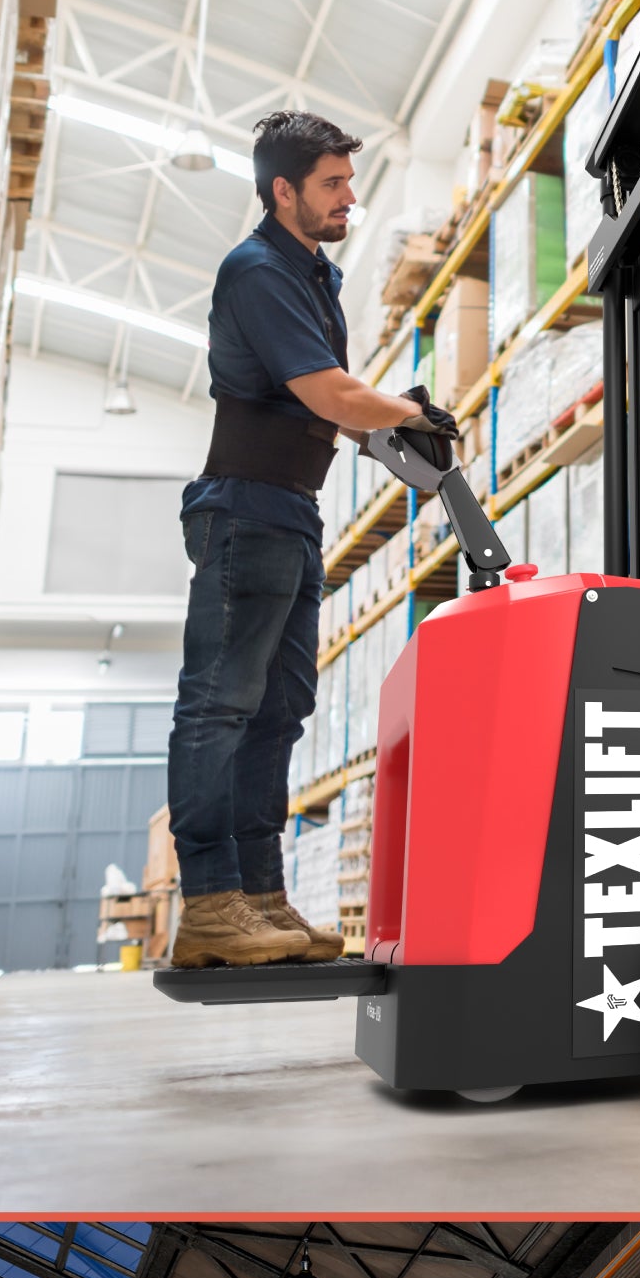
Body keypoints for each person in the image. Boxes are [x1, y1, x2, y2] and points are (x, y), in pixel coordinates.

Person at [168, 111, 457, 970]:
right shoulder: (256, 270)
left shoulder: (312, 275)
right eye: (332, 184)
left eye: (348, 181)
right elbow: (331, 395)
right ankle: (211, 902)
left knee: (281, 712)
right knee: (220, 705)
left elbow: (331, 400)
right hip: (244, 508)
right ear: (282, 189)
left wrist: (391, 420)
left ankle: (259, 896)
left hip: (291, 509)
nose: (349, 197)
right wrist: (409, 412)